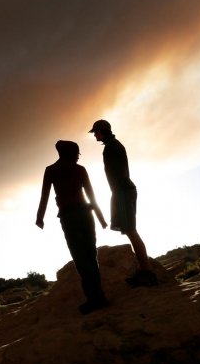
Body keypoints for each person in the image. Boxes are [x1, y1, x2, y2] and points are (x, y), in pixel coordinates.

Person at [36, 140, 110, 314]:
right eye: (77, 153)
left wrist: (40, 217)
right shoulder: (79, 169)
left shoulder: (51, 170)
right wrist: (100, 218)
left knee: (81, 257)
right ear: (69, 153)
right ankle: (98, 297)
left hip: (69, 217)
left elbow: (44, 196)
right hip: (85, 215)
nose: (78, 156)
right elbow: (91, 195)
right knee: (91, 255)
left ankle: (95, 298)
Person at [89, 119, 157, 287]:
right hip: (121, 191)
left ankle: (147, 273)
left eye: (95, 132)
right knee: (129, 230)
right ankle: (144, 271)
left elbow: (118, 173)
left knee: (131, 230)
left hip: (122, 192)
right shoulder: (112, 145)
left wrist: (118, 195)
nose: (95, 135)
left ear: (102, 131)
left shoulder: (112, 146)